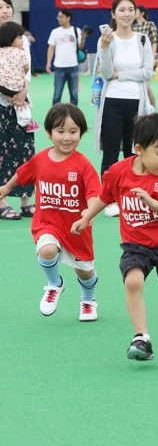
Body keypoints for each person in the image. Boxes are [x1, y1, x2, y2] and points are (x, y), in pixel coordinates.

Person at [71, 113, 158, 361]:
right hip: (136, 244)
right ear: (139, 149)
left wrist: (151, 202)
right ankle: (142, 339)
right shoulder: (118, 172)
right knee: (133, 281)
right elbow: (105, 196)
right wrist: (85, 217)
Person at [0, 103, 101, 321]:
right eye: (60, 131)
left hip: (76, 228)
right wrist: (6, 188)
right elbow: (22, 174)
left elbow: (94, 193)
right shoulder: (40, 160)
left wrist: (89, 214)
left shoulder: (83, 165)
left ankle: (88, 300)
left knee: (84, 271)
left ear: (81, 133)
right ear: (49, 133)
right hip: (48, 223)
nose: (67, 137)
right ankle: (55, 284)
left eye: (73, 132)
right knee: (46, 250)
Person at [94, 0, 153, 218]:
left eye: (130, 9)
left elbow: (148, 72)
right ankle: (109, 200)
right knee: (110, 154)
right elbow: (107, 73)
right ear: (113, 14)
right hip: (111, 102)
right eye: (121, 10)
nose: (126, 14)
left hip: (136, 103)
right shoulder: (106, 39)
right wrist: (106, 48)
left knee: (133, 152)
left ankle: (130, 198)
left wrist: (122, 74)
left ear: (135, 13)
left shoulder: (142, 39)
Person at [0, 0, 35, 221]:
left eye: (7, 6)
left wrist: (22, 92)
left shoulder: (19, 38)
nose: (4, 10)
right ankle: (1, 201)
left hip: (21, 105)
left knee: (25, 151)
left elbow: (27, 70)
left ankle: (25, 201)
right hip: (2, 104)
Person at [46, 8, 86, 106]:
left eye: (62, 17)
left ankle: (74, 116)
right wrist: (48, 62)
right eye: (58, 17)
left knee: (74, 94)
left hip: (73, 66)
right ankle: (54, 116)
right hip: (59, 66)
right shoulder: (55, 32)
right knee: (57, 94)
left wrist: (83, 39)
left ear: (68, 18)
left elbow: (79, 47)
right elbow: (51, 48)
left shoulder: (76, 31)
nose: (60, 19)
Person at [0, 22, 32, 128]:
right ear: (10, 38)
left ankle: (9, 98)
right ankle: (27, 121)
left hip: (3, 87)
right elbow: (27, 67)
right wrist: (22, 73)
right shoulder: (20, 52)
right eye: (19, 38)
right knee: (24, 102)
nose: (22, 40)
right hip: (17, 86)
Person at [132, 5, 158, 108]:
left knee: (147, 87)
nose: (133, 13)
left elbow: (154, 41)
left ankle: (154, 111)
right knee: (137, 87)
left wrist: (152, 57)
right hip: (134, 59)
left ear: (142, 13)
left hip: (146, 58)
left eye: (136, 11)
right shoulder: (132, 27)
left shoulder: (150, 25)